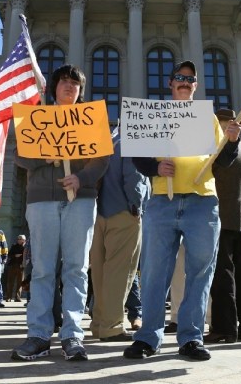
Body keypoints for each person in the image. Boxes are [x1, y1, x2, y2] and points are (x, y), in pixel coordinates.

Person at [123, 60, 241, 362]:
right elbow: (137, 156)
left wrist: (231, 143)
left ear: (195, 86)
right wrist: (154, 166)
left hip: (202, 202)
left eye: (189, 79)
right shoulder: (154, 114)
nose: (184, 82)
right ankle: (148, 338)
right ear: (170, 84)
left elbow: (222, 163)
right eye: (179, 77)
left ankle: (191, 338)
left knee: (200, 272)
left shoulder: (208, 120)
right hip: (162, 200)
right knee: (153, 273)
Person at [11, 64, 109, 362]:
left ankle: (72, 334)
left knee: (76, 269)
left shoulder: (91, 119)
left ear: (81, 90)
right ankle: (39, 335)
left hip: (80, 199)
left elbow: (102, 159)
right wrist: (47, 155)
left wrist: (82, 178)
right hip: (41, 200)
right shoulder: (36, 116)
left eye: (75, 83)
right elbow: (20, 155)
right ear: (53, 87)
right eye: (64, 81)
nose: (69, 86)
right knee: (42, 269)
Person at [90, 126, 150, 342]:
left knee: (99, 274)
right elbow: (134, 176)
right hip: (124, 213)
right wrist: (138, 206)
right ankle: (112, 326)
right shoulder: (132, 143)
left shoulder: (105, 143)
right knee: (121, 273)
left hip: (98, 214)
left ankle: (98, 323)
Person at [207, 108, 241, 343]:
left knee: (223, 275)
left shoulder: (224, 148)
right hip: (240, 218)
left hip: (222, 216)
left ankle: (224, 328)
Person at [5, 235, 26, 302]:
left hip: (21, 266)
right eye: (18, 239)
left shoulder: (26, 247)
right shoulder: (14, 246)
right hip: (13, 265)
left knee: (20, 283)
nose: (19, 240)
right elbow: (9, 254)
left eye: (20, 239)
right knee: (10, 282)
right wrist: (15, 255)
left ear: (24, 240)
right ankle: (9, 297)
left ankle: (17, 297)